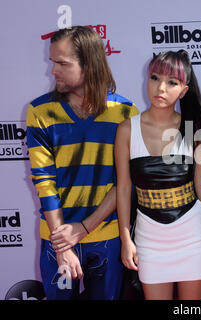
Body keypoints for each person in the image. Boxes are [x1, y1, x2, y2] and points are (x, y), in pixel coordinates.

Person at [26, 26, 139, 300]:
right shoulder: (40, 111)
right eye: (53, 61)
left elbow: (125, 182)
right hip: (58, 239)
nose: (53, 71)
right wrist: (62, 244)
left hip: (107, 237)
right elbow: (44, 182)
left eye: (62, 63)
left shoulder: (125, 112)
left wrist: (86, 227)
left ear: (89, 63)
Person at [115, 50, 201, 300]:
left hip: (192, 236)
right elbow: (124, 189)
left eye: (172, 82)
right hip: (148, 239)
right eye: (155, 78)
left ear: (184, 90)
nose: (161, 88)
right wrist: (126, 238)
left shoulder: (195, 128)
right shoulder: (127, 130)